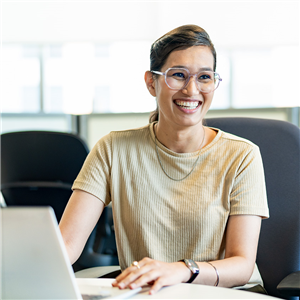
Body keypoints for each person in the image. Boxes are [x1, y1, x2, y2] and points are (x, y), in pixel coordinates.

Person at [59, 24, 269, 295]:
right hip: (148, 294)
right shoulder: (113, 149)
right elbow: (66, 246)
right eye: (178, 75)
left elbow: (242, 264)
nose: (192, 90)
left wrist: (182, 269)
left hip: (223, 294)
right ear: (151, 82)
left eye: (204, 77)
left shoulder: (242, 155)